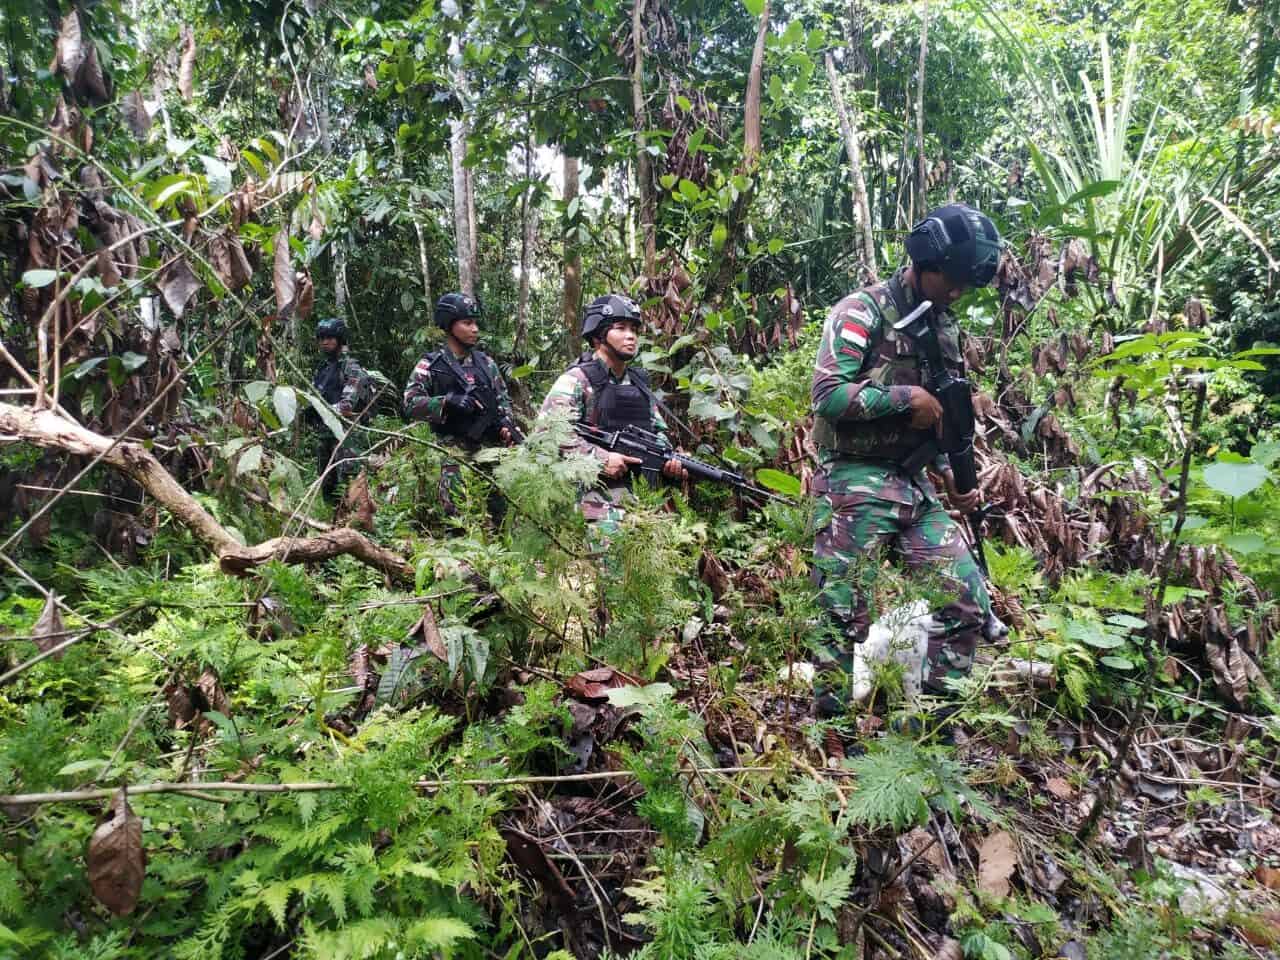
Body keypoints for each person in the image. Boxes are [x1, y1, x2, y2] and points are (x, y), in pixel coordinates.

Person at [810, 203, 1001, 712]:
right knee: (841, 612)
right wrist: (903, 400)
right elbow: (827, 394)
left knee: (965, 600)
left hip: (914, 483)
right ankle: (833, 733)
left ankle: (933, 725)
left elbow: (941, 416)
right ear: (924, 263)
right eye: (952, 280)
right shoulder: (862, 311)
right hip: (853, 478)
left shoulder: (943, 326)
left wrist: (952, 475)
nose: (958, 292)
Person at [537, 293, 685, 536]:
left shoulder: (639, 383)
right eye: (620, 328)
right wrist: (600, 459)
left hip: (644, 499)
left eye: (634, 329)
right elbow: (546, 434)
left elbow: (656, 432)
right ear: (598, 335)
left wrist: (670, 460)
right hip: (596, 501)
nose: (631, 336)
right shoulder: (577, 380)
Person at [403, 292, 516, 516]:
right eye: (467, 323)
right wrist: (446, 402)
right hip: (453, 452)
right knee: (457, 517)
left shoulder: (487, 363)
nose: (475, 329)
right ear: (449, 325)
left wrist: (506, 424)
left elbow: (502, 399)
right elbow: (409, 403)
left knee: (498, 516)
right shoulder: (431, 365)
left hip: (490, 449)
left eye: (475, 323)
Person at [311, 317, 374, 502]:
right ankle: (332, 525)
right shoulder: (322, 369)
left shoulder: (351, 367)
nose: (325, 342)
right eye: (321, 338)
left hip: (347, 435)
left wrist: (323, 410)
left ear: (339, 339)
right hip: (325, 434)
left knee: (350, 482)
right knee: (327, 484)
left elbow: (347, 404)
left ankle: (353, 523)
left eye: (329, 338)